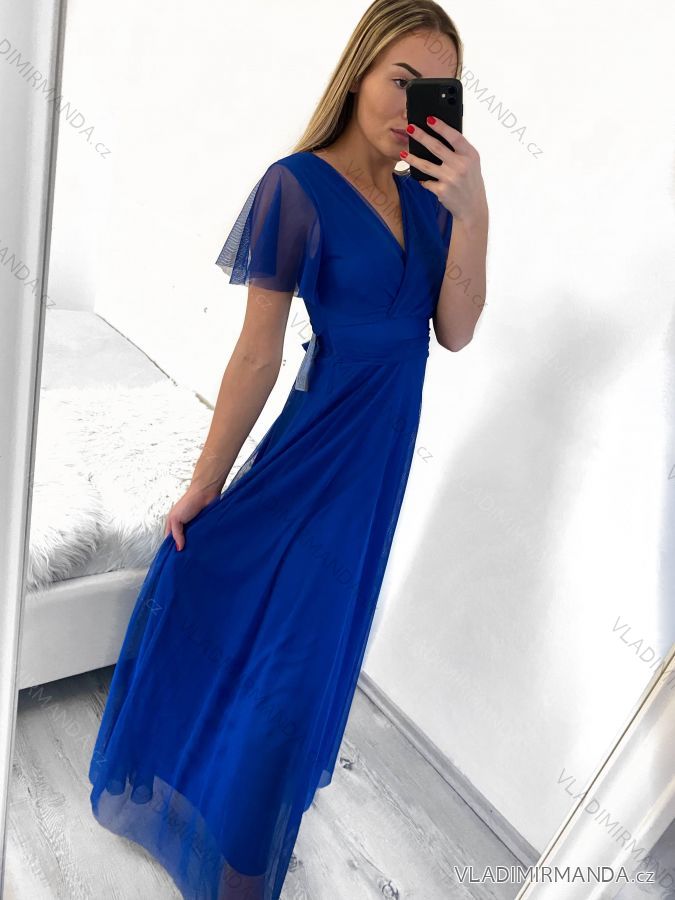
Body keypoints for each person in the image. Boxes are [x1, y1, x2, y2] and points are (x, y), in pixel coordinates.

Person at [87, 1, 488, 897]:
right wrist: (204, 482)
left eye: (436, 90)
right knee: (286, 668)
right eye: (400, 80)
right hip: (313, 459)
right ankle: (231, 861)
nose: (413, 107)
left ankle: (237, 829)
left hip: (374, 474)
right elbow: (256, 355)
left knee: (310, 662)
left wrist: (474, 210)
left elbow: (455, 330)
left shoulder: (431, 201)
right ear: (358, 72)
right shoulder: (295, 187)